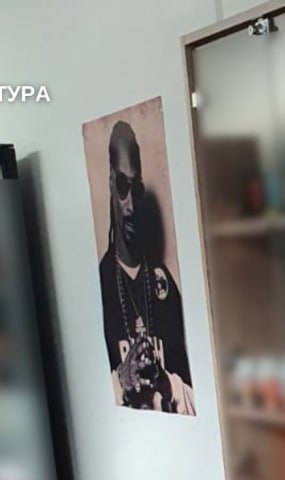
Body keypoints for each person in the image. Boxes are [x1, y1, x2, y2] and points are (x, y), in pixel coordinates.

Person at [98, 120, 195, 414]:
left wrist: (166, 384)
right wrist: (121, 382)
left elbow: (198, 397)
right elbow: (82, 397)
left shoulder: (164, 284)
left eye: (136, 188)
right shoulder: (99, 285)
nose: (129, 204)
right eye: (122, 186)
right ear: (111, 183)